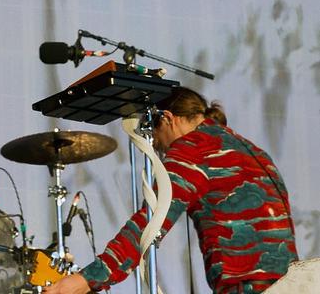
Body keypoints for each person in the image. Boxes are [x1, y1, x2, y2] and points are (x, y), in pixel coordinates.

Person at [46, 88, 297, 294]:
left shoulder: (193, 148)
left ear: (167, 118)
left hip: (247, 286)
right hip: (290, 284)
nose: (161, 151)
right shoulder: (249, 148)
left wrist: (86, 279)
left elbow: (150, 223)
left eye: (156, 140)